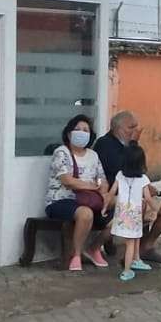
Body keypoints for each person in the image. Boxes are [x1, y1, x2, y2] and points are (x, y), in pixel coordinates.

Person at [95, 111, 161, 263]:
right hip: (120, 194)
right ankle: (126, 252)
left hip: (136, 193)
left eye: (136, 127)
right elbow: (124, 170)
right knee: (142, 206)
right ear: (117, 128)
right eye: (130, 127)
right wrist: (133, 144)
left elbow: (139, 168)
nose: (135, 131)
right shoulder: (105, 144)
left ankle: (146, 246)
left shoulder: (126, 145)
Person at [45, 113, 111, 271]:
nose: (82, 132)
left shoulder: (93, 155)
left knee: (126, 208)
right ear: (69, 133)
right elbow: (67, 181)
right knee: (85, 213)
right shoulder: (62, 153)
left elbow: (102, 179)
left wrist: (103, 192)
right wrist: (92, 186)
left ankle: (95, 248)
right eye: (78, 129)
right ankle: (76, 255)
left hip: (91, 198)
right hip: (62, 200)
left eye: (86, 130)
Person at [108, 143, 158, 282]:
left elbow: (112, 192)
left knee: (135, 237)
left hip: (122, 214)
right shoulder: (143, 179)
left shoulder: (119, 175)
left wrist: (105, 206)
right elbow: (148, 198)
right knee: (130, 242)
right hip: (135, 215)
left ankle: (136, 259)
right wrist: (155, 209)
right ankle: (127, 270)